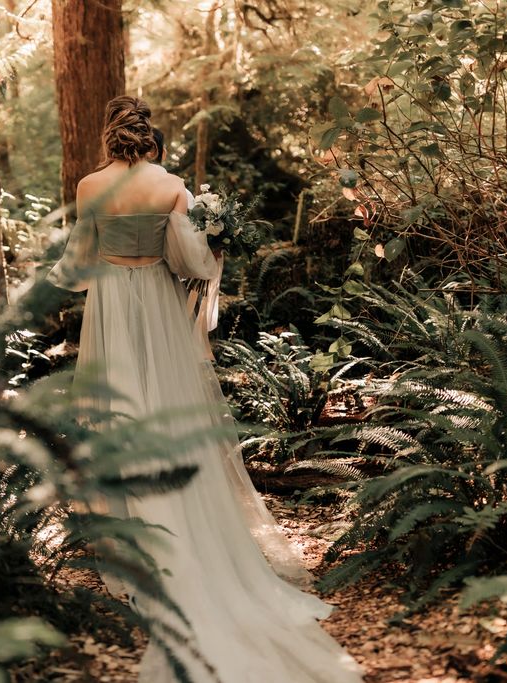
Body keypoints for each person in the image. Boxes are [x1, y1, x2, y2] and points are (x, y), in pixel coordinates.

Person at [47, 95, 363, 682]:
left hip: (111, 307)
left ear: (108, 137)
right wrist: (213, 244)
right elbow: (191, 263)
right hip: (161, 309)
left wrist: (49, 280)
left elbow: (77, 264)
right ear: (150, 139)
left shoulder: (90, 187)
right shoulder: (171, 186)